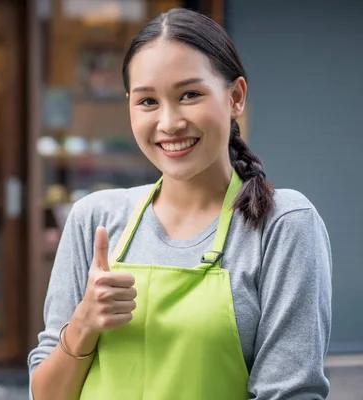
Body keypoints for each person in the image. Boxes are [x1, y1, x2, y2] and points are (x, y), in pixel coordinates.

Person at [28, 7, 332, 400]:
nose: (169, 123)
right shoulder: (95, 219)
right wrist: (83, 323)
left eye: (190, 94)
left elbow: (289, 393)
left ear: (236, 97)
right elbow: (47, 395)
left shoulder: (282, 226)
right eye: (148, 101)